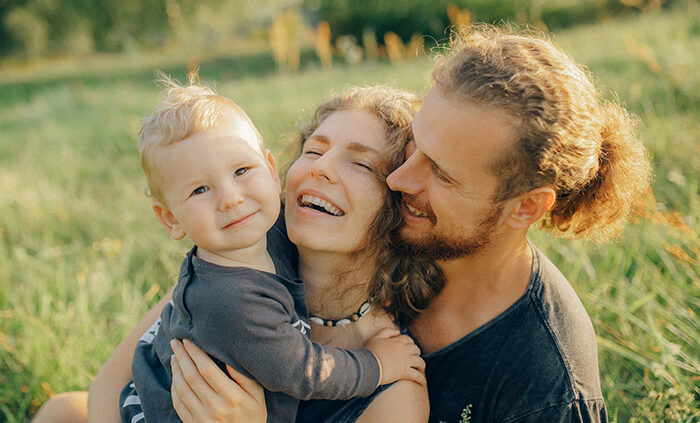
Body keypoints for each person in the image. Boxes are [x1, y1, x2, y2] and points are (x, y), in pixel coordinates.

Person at [120, 26, 651, 422]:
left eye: (439, 171)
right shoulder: (269, 243)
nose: (401, 178)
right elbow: (115, 387)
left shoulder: (546, 384)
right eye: (414, 145)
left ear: (525, 208)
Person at [32, 85, 441, 423]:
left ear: (398, 204)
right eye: (313, 151)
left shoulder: (395, 389)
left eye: (361, 164)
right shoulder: (233, 264)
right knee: (60, 411)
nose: (320, 168)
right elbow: (110, 387)